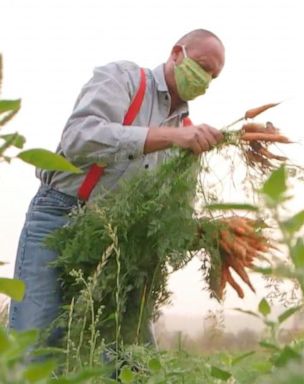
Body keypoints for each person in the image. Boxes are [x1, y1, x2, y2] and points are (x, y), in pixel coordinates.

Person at [8, 29, 225, 344]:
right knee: (38, 340)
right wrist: (168, 137)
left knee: (126, 352)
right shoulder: (124, 79)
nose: (205, 79)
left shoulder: (190, 136)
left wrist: (211, 235)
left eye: (213, 76)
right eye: (203, 66)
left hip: (120, 239)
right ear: (177, 53)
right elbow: (78, 138)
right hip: (61, 215)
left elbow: (171, 221)